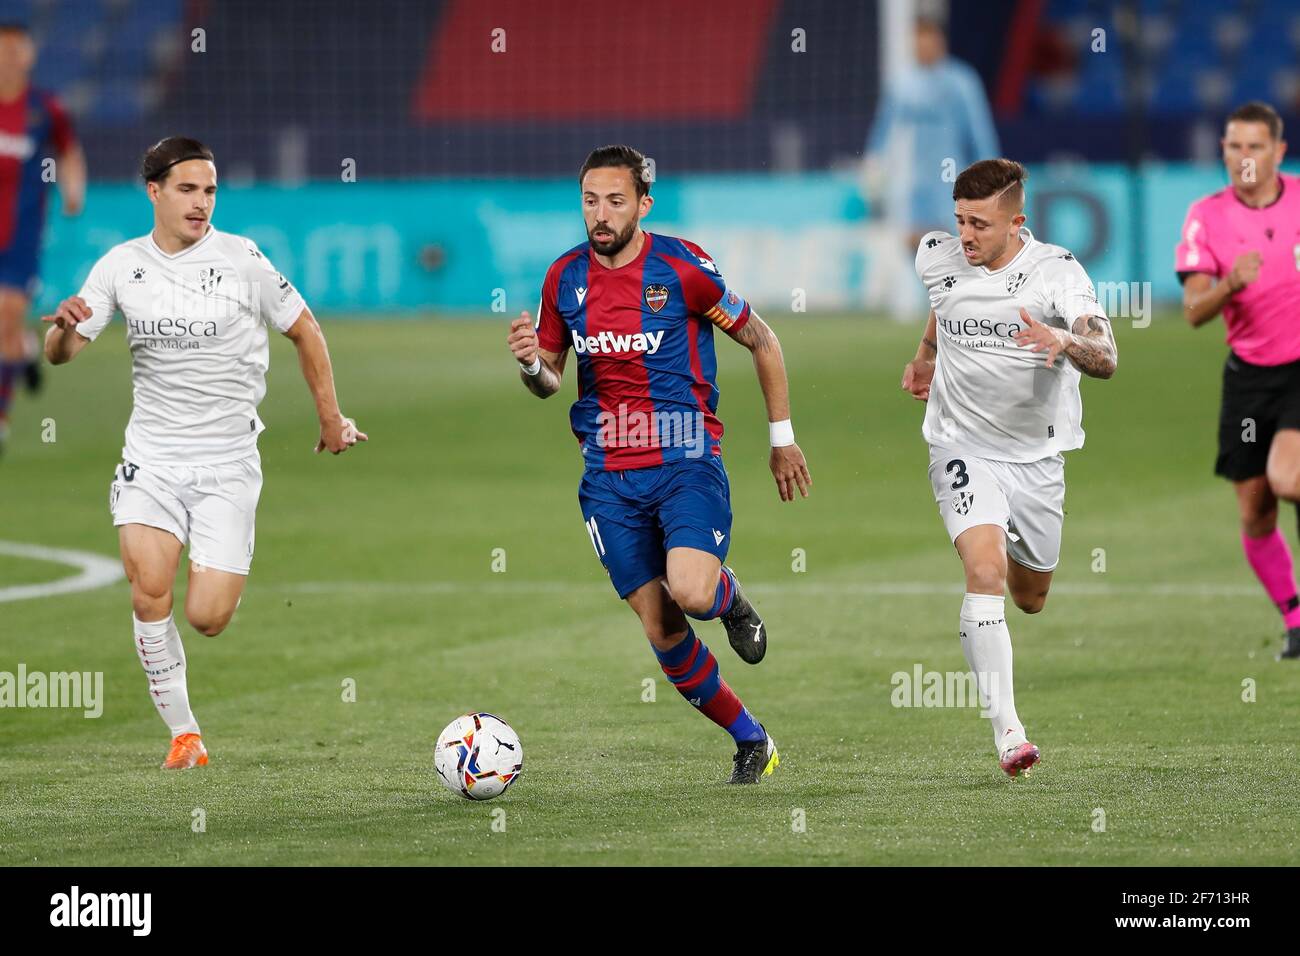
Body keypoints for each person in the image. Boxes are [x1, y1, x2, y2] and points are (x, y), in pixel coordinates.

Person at [41, 137, 367, 769]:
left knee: (207, 617)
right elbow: (62, 354)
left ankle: (212, 579)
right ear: (154, 192)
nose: (201, 203)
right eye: (188, 189)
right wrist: (59, 328)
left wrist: (331, 418)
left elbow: (305, 329)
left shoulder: (242, 259)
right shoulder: (120, 266)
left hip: (227, 465)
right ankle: (185, 735)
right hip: (152, 460)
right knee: (148, 592)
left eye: (210, 190)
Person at [506, 144, 811, 784]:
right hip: (608, 478)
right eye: (590, 200)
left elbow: (762, 338)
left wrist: (782, 438)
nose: (601, 214)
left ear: (643, 203)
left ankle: (730, 601)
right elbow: (551, 381)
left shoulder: (683, 267)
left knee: (694, 593)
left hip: (684, 456)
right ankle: (752, 739)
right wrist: (533, 363)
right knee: (662, 622)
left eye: (615, 201)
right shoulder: (563, 278)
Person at [901, 158, 1117, 776]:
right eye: (960, 221)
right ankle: (1010, 735)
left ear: (1018, 221)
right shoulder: (937, 256)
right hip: (960, 445)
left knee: (1031, 596)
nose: (966, 236)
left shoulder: (1056, 273)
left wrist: (1064, 342)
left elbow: (1106, 355)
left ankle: (1009, 699)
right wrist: (923, 355)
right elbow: (945, 306)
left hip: (1038, 459)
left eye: (982, 225)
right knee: (984, 569)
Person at [1177, 102, 1300, 662]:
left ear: (1278, 151)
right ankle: (1296, 619)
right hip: (1249, 380)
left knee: (1288, 476)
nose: (1242, 157)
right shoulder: (1207, 215)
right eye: (1233, 146)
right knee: (1255, 511)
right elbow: (1195, 311)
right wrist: (1230, 283)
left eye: (1254, 147)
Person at [0, 17, 85, 453]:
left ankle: (1, 416)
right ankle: (27, 350)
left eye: (18, 49)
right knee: (6, 331)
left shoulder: (44, 107)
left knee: (6, 316)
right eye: (4, 49)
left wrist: (73, 189)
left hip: (21, 235)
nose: (11, 57)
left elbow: (68, 149)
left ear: (30, 55)